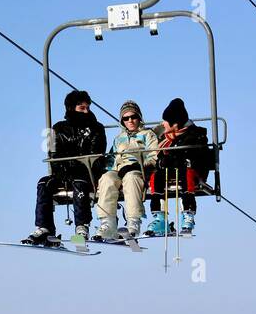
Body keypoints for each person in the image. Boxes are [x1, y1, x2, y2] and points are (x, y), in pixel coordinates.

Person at [23, 89, 107, 246]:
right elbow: (54, 155)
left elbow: (95, 154)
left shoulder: (96, 128)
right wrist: (62, 169)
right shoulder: (58, 129)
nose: (86, 111)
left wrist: (74, 166)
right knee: (44, 183)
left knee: (79, 181)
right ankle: (44, 227)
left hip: (86, 172)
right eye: (82, 108)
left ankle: (81, 226)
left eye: (88, 107)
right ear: (71, 108)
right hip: (63, 173)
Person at [145, 97, 213, 236]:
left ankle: (187, 214)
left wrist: (171, 159)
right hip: (171, 170)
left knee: (185, 174)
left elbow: (193, 156)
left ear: (175, 124)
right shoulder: (165, 138)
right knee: (156, 176)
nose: (163, 124)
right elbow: (160, 157)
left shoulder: (195, 135)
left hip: (192, 171)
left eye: (166, 121)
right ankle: (160, 218)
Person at [95, 100, 158, 240]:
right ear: (122, 120)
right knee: (106, 179)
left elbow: (154, 156)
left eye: (133, 117)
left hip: (137, 168)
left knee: (131, 178)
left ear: (139, 118)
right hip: (118, 169)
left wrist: (141, 165)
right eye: (126, 118)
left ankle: (133, 222)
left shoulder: (148, 134)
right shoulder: (119, 138)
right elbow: (112, 158)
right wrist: (106, 170)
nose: (130, 120)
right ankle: (107, 223)